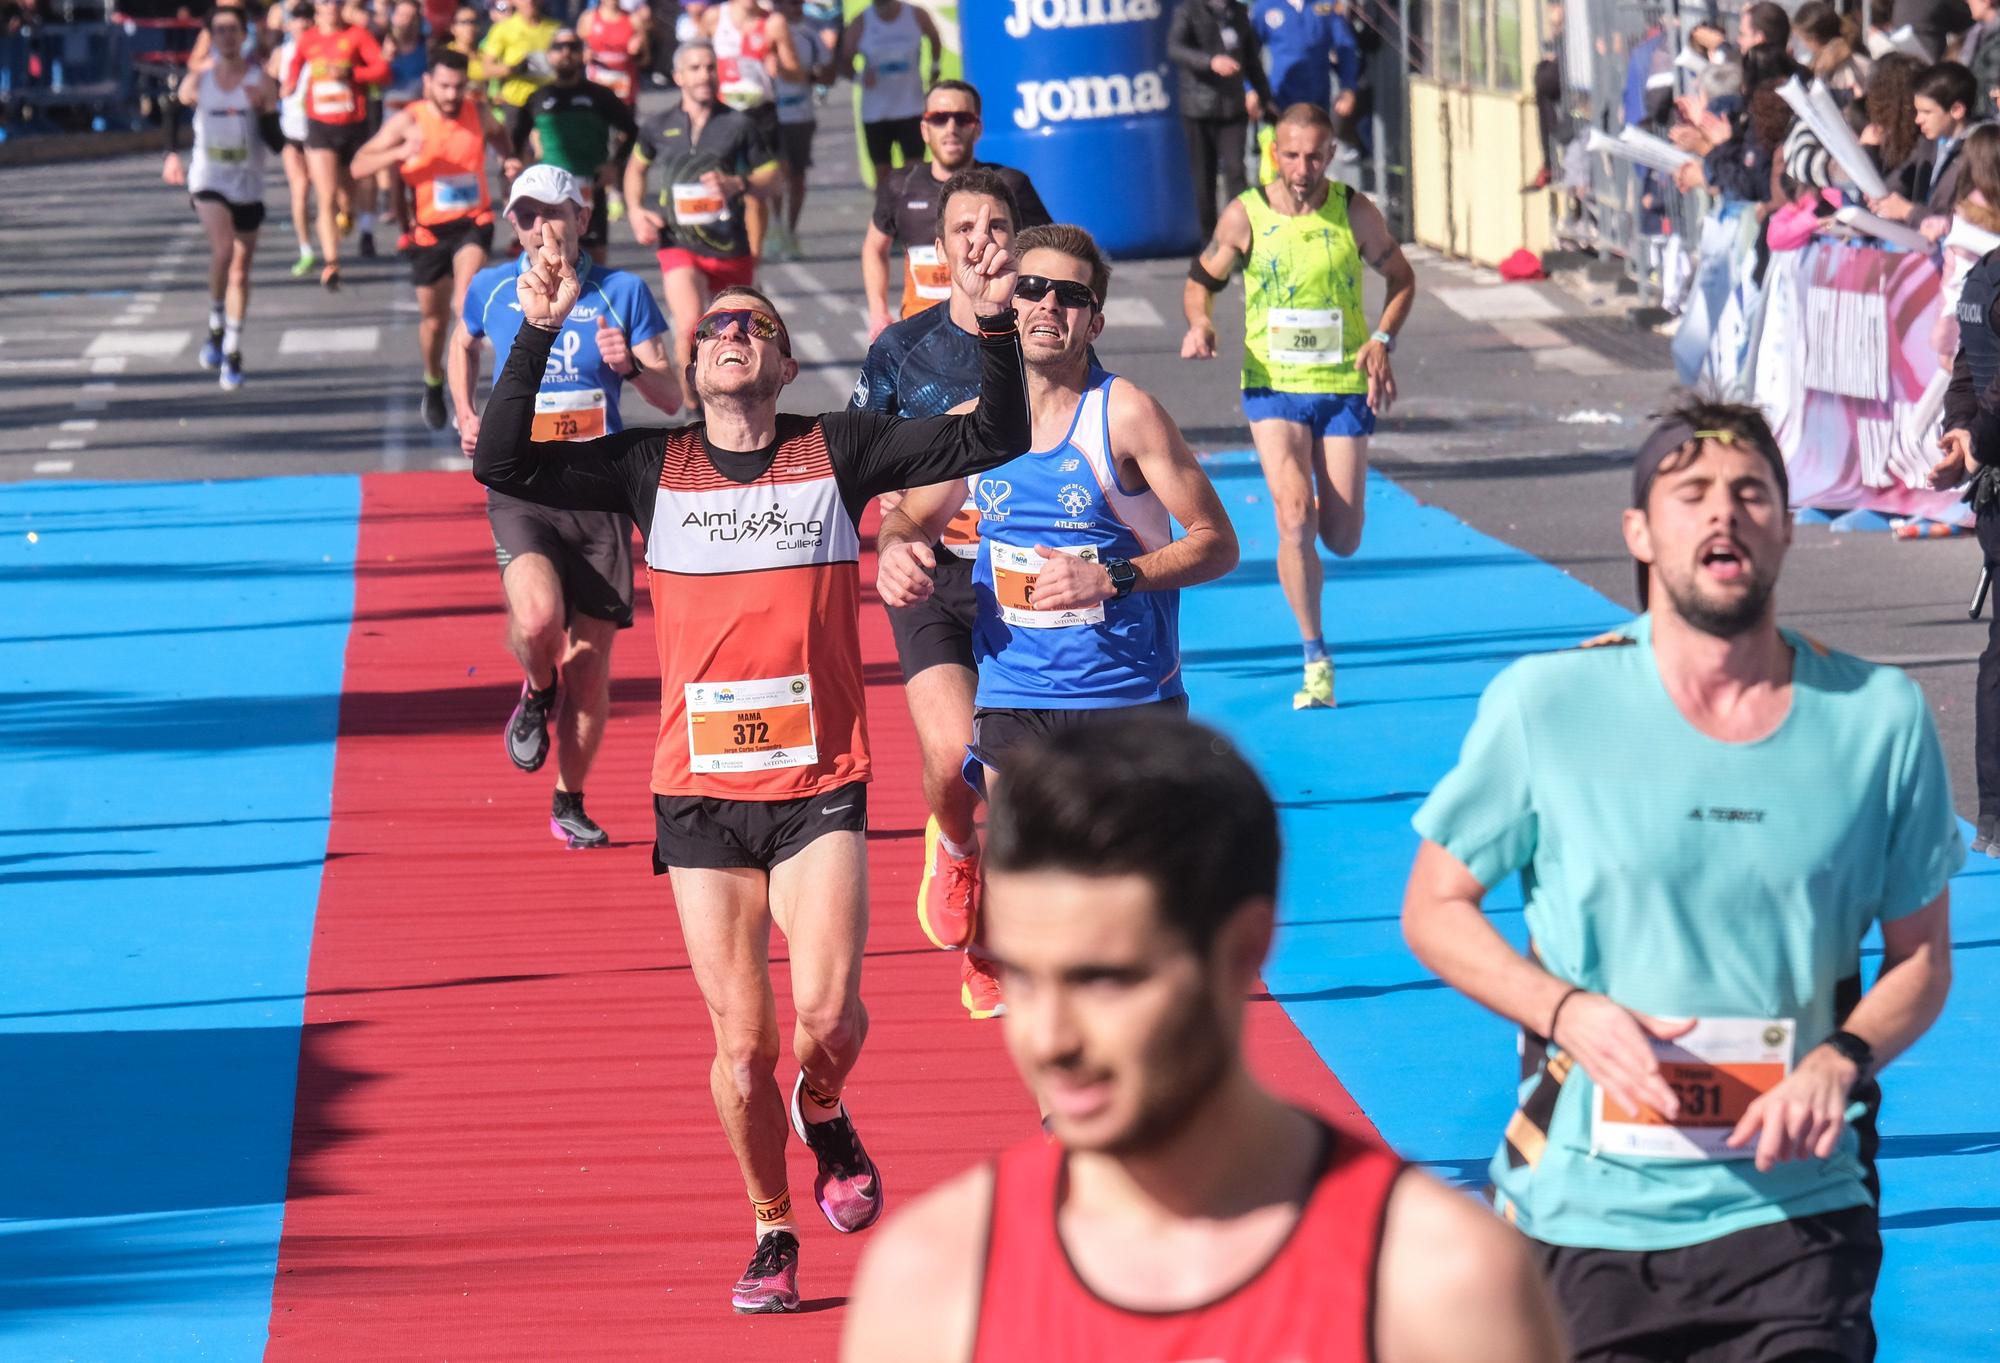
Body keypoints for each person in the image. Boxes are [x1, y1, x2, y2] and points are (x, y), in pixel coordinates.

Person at [472, 202, 1032, 1314]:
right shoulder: (651, 465)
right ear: (694, 361)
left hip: (819, 787)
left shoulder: (839, 448)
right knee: (740, 1052)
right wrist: (534, 334)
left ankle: (823, 1105)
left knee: (825, 1023)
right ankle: (772, 1228)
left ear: (778, 363)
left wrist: (1002, 323)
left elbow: (990, 438)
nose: (734, 331)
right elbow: (502, 460)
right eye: (718, 325)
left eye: (756, 325)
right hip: (698, 799)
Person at [1404, 400, 1960, 1363]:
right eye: (1690, 492)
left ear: (1787, 525)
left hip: (1800, 1212)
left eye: (1751, 493)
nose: (1723, 513)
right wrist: (1567, 1011)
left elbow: (1920, 959)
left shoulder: (1880, 717)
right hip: (1588, 1211)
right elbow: (1434, 907)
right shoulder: (1549, 703)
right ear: (1640, 532)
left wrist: (1841, 1060)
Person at [841, 715, 1567, 1363]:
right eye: (1024, 977)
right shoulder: (935, 1284)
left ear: (1242, 950)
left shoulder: (1438, 1282)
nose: (1050, 1038)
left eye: (1105, 979)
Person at [880, 222, 1239, 1019]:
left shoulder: (1126, 416)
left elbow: (1218, 544)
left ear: (1094, 321)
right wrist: (898, 549)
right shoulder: (976, 424)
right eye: (1032, 288)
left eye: (1070, 296)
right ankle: (1058, 1104)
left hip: (1126, 698)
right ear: (1007, 306)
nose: (1047, 304)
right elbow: (908, 517)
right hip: (1015, 694)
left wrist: (1111, 576)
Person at [452, 164, 679, 849]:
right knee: (539, 616)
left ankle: (569, 798)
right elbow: (462, 341)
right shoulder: (492, 288)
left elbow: (672, 398)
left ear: (582, 216)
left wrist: (633, 368)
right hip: (523, 484)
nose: (538, 228)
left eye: (552, 213)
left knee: (590, 664)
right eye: (524, 216)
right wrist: (464, 411)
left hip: (599, 490)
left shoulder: (621, 292)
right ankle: (533, 685)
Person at [850, 167, 1025, 990]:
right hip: (937, 571)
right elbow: (855, 462)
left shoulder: (1047, 338)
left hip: (1032, 578)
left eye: (997, 226)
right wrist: (890, 538)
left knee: (1018, 777)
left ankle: (994, 935)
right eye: (965, 230)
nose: (981, 241)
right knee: (959, 754)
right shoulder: (903, 351)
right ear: (940, 249)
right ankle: (955, 846)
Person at [1181, 102, 1415, 710]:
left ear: (1331, 154)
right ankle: (1315, 656)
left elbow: (1402, 278)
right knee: (1291, 516)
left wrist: (1382, 338)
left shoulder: (1353, 212)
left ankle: (1315, 514)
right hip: (1272, 385)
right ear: (1274, 153)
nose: (1302, 167)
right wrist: (1200, 324)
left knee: (1342, 538)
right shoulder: (1247, 214)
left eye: (1314, 155)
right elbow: (1200, 281)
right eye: (1291, 155)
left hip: (1341, 386)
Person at [351, 47, 512, 429]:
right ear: (428, 84)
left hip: (473, 222)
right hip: (428, 232)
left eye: (459, 86)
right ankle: (433, 380)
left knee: (464, 300)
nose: (453, 95)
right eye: (444, 86)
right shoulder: (410, 121)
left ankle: (466, 404)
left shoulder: (478, 112)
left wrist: (509, 160)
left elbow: (502, 137)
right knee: (434, 322)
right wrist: (398, 152)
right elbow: (359, 164)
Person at [625, 39, 781, 415]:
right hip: (678, 243)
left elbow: (772, 178)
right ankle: (697, 408)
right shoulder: (659, 125)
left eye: (710, 67)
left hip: (730, 247)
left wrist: (738, 184)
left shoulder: (739, 123)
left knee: (746, 329)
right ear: (678, 76)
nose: (705, 75)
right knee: (691, 323)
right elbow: (636, 168)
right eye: (695, 68)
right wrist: (635, 209)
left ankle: (743, 394)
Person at [861, 79, 1053, 339]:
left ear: (977, 128)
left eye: (962, 118)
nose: (951, 128)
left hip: (995, 331)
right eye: (939, 118)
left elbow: (1050, 254)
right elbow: (874, 247)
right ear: (925, 129)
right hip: (922, 337)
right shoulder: (900, 185)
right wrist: (878, 311)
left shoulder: (1009, 185)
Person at [1933, 123, 2000, 855]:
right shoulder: (1988, 279)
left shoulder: (1983, 277)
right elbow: (1978, 380)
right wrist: (1971, 437)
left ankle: (1995, 814)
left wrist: (1963, 437)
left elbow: (1965, 375)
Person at [163, 3, 276, 393]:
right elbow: (172, 111)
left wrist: (263, 111)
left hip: (248, 184)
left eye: (233, 30)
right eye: (220, 30)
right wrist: (171, 155)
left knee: (241, 270)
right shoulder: (199, 80)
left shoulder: (261, 81)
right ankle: (217, 324)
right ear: (210, 36)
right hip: (208, 179)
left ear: (244, 35)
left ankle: (229, 344)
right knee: (224, 250)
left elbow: (276, 143)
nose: (227, 37)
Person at [505, 27, 638, 264]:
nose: (566, 53)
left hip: (590, 186)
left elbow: (632, 130)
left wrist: (614, 165)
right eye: (558, 47)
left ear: (583, 54)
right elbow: (516, 139)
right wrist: (517, 165)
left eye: (573, 47)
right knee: (548, 253)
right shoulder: (538, 97)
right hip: (548, 191)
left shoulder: (600, 96)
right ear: (549, 55)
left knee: (595, 258)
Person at [284, 0, 388, 289]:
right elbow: (295, 65)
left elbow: (381, 70)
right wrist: (290, 84)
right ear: (317, 7)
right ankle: (332, 262)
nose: (330, 6)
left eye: (336, 2)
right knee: (325, 195)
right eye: (324, 2)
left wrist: (352, 74)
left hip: (354, 125)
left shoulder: (357, 35)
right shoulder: (309, 38)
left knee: (347, 195)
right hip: (320, 127)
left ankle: (352, 214)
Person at [1168, 0, 1277, 240]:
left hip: (1232, 106)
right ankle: (1210, 240)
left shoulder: (1237, 12)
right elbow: (1175, 48)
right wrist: (1210, 62)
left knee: (1236, 171)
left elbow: (1251, 58)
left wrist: (1265, 95)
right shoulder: (1188, 11)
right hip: (1199, 107)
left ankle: (1239, 236)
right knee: (1204, 176)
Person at [1874, 60, 1985, 235]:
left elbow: (1972, 223)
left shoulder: (1982, 153)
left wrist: (1909, 212)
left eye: (1927, 112)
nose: (1918, 120)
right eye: (1918, 112)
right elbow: (1899, 180)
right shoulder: (1929, 142)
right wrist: (1880, 196)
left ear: (1956, 110)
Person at [839, 0, 941, 187]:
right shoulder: (861, 22)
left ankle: (915, 211)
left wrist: (935, 68)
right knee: (882, 173)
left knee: (915, 169)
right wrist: (861, 77)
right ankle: (886, 214)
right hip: (876, 112)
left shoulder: (915, 15)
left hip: (910, 106)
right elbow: (844, 61)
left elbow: (934, 37)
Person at [764, 0, 822, 260]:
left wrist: (808, 75)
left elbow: (829, 72)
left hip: (801, 115)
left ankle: (791, 231)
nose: (794, 5)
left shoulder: (809, 33)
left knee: (796, 177)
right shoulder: (763, 31)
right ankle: (775, 226)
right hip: (770, 114)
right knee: (777, 171)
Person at [269, 0, 322, 278]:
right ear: (288, 24)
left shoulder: (320, 50)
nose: (301, 25)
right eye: (296, 20)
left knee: (328, 195)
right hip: (291, 131)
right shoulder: (281, 53)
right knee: (300, 190)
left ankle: (334, 232)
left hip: (319, 130)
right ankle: (306, 250)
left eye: (306, 20)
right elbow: (268, 89)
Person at [376, 0, 430, 251]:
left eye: (410, 15)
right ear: (393, 17)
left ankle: (421, 223)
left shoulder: (426, 47)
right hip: (393, 115)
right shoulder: (384, 45)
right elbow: (374, 78)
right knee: (396, 178)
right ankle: (404, 229)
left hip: (419, 116)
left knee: (419, 176)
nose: (405, 21)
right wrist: (384, 59)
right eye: (401, 15)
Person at [479, 0, 558, 116]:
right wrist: (515, 69)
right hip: (515, 103)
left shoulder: (555, 28)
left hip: (548, 101)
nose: (530, 2)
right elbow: (486, 69)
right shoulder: (502, 29)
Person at [578, 0, 647, 108]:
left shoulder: (633, 20)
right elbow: (576, 54)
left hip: (625, 93)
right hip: (596, 90)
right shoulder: (589, 19)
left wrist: (638, 51)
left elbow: (645, 59)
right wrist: (584, 55)